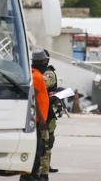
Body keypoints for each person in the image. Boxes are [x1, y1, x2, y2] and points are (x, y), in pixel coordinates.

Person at [20, 49, 50, 181]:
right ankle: (29, 176)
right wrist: (42, 120)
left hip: (35, 119)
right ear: (42, 61)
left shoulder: (31, 73)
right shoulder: (37, 76)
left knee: (37, 149)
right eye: (45, 61)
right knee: (37, 150)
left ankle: (30, 176)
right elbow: (34, 99)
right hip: (38, 120)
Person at [39, 50, 60, 180]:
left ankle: (45, 167)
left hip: (48, 113)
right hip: (41, 111)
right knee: (44, 142)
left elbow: (44, 83)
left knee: (47, 141)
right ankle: (43, 167)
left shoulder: (48, 73)